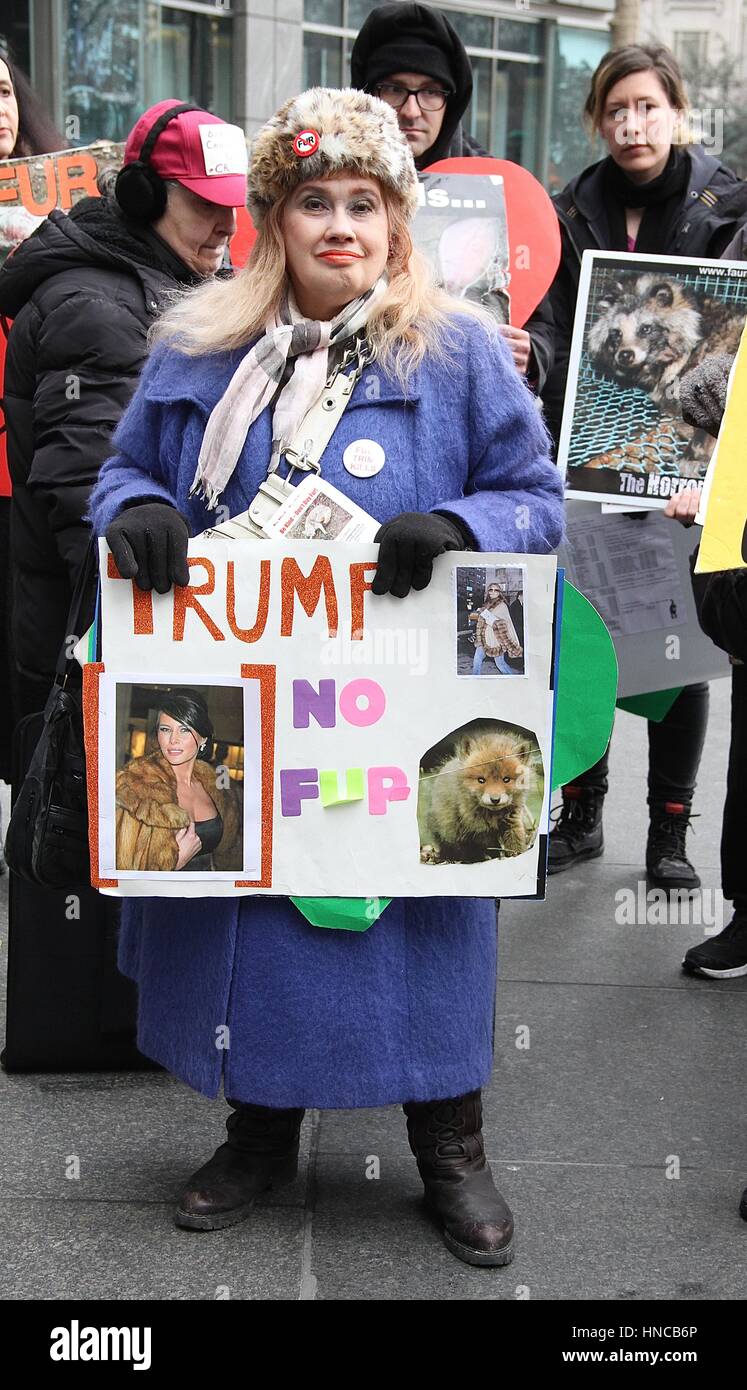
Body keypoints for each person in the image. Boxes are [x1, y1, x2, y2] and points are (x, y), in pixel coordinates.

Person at [89, 87, 564, 1267]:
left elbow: (536, 503)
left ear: (398, 221)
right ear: (273, 220)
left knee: (418, 914)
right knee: (263, 908)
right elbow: (119, 476)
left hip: (405, 709)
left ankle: (451, 1141)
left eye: (364, 202)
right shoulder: (199, 344)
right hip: (256, 701)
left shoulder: (455, 353)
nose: (340, 225)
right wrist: (139, 509)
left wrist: (457, 520)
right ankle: (261, 1128)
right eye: (314, 202)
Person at [544, 43, 747, 891]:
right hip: (586, 451)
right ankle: (583, 811)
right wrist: (537, 362)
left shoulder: (731, 202)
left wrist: (719, 462)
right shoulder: (567, 209)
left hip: (699, 460)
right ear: (598, 119)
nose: (631, 124)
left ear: (676, 112)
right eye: (615, 109)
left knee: (681, 641)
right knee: (590, 629)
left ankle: (668, 832)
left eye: (646, 107)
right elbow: (553, 325)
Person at [0, 98, 247, 730]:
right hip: (104, 642)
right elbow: (87, 493)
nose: (226, 224)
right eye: (204, 203)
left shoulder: (197, 285)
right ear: (144, 196)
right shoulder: (93, 307)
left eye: (233, 203)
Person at [350, 1, 555, 391]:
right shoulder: (336, 178)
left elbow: (543, 319)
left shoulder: (496, 187)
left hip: (463, 395)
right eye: (393, 89)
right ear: (368, 95)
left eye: (430, 92)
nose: (411, 110)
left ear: (452, 101)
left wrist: (533, 352)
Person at [0, 48, 63, 860]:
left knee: (26, 653)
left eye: (6, 91)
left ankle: (35, 810)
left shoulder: (61, 207)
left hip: (35, 464)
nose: (0, 111)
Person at [115, 691, 242, 873]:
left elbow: (229, 853)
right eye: (165, 729)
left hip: (211, 897)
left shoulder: (216, 786)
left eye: (184, 729)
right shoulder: (137, 788)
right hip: (158, 899)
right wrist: (175, 863)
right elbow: (123, 872)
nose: (173, 740)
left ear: (203, 738)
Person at [472, 582, 522, 675]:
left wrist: (484, 613)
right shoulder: (487, 604)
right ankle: (474, 681)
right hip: (483, 639)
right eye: (491, 589)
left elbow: (501, 624)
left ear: (499, 592)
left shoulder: (502, 605)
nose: (493, 592)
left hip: (495, 640)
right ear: (488, 592)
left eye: (496, 590)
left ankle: (513, 680)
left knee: (501, 664)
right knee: (476, 661)